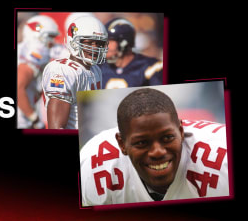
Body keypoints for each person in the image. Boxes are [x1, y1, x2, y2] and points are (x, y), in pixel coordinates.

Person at [80, 88, 229, 205]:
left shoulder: (224, 161)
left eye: (167, 138)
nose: (158, 152)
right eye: (141, 143)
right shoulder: (94, 168)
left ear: (181, 132)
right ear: (122, 144)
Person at [42, 16, 108, 129]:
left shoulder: (95, 69)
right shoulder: (63, 70)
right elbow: (57, 127)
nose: (95, 48)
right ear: (73, 42)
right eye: (89, 42)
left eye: (99, 43)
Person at [17, 15, 60, 129]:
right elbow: (18, 88)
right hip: (21, 121)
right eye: (50, 37)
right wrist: (34, 118)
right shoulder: (35, 53)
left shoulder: (22, 49)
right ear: (37, 35)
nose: (52, 42)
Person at [100, 18, 163, 89]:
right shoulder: (99, 68)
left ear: (124, 42)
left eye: (109, 41)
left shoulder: (149, 67)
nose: (105, 45)